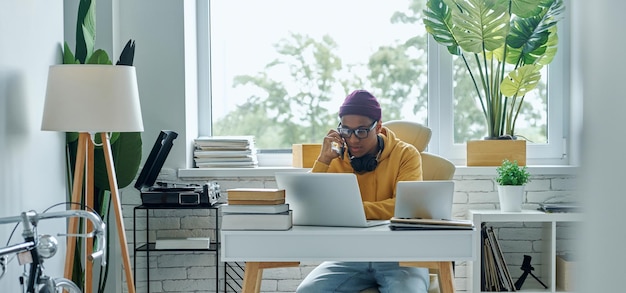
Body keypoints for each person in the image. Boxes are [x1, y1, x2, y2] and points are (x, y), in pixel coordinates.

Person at [296, 90, 430, 293]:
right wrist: (323, 160)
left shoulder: (406, 154)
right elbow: (311, 205)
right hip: (350, 257)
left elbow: (405, 207)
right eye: (346, 131)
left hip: (401, 258)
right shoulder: (335, 158)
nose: (353, 140)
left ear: (378, 127)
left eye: (361, 131)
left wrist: (352, 211)